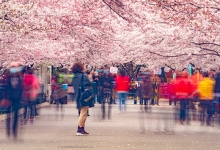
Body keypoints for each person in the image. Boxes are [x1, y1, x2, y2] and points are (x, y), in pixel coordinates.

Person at [72, 62, 94, 136]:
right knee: (83, 113)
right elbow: (90, 84)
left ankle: (82, 128)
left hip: (78, 95)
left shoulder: (75, 76)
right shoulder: (83, 76)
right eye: (83, 66)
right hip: (84, 96)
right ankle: (79, 129)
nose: (85, 68)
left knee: (83, 112)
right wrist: (90, 78)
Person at [5, 61, 23, 139]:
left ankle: (14, 131)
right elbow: (6, 87)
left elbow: (22, 87)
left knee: (16, 114)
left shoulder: (20, 77)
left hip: (17, 97)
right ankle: (8, 130)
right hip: (9, 97)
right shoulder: (7, 77)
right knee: (8, 114)